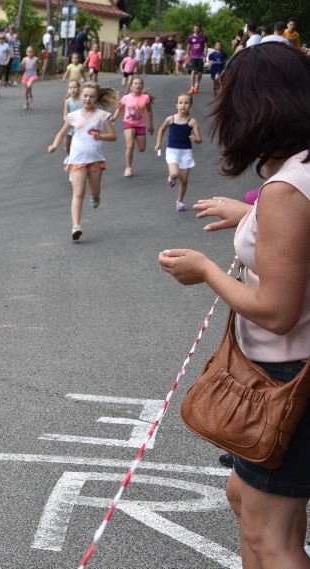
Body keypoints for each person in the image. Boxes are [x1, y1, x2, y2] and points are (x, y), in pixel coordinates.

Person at [158, 43, 310, 569]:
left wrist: (205, 271)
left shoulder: (287, 188)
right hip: (288, 370)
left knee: (273, 537)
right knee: (247, 501)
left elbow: (276, 310)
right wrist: (247, 215)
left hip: (289, 377)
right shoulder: (295, 175)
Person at [48, 82, 118, 240]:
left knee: (94, 190)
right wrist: (54, 145)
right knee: (78, 193)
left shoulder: (102, 115)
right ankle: (76, 226)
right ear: (80, 96)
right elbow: (61, 133)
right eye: (85, 95)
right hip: (77, 159)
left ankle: (95, 196)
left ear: (96, 98)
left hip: (95, 160)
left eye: (92, 96)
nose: (88, 98)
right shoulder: (73, 116)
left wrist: (101, 136)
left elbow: (113, 136)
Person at [153, 93, 202, 212]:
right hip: (172, 151)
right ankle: (171, 178)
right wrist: (158, 143)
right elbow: (161, 129)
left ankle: (179, 201)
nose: (183, 105)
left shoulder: (192, 122)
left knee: (184, 180)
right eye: (180, 103)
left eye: (186, 103)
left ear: (190, 105)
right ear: (176, 105)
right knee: (175, 174)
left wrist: (195, 139)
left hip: (186, 152)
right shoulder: (171, 119)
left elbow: (199, 139)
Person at [111, 77, 153, 177]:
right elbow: (119, 108)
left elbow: (150, 111)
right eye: (135, 83)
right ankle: (128, 168)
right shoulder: (126, 97)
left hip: (140, 124)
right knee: (130, 146)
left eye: (140, 83)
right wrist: (114, 117)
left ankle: (134, 136)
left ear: (142, 86)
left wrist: (151, 124)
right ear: (131, 86)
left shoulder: (145, 97)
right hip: (128, 123)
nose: (138, 85)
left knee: (142, 148)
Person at [61, 79, 82, 157]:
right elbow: (65, 116)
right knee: (67, 147)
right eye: (70, 88)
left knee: (79, 147)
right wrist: (69, 121)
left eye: (75, 87)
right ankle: (69, 156)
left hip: (81, 127)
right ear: (68, 90)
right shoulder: (67, 101)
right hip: (70, 127)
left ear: (79, 88)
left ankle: (76, 160)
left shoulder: (83, 100)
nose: (72, 89)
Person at [186, 24, 208, 93]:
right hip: (193, 56)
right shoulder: (190, 37)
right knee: (193, 71)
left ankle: (197, 84)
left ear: (200, 29)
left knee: (200, 73)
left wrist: (205, 56)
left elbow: (205, 47)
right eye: (195, 29)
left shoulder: (203, 37)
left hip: (200, 56)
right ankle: (192, 87)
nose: (196, 30)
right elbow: (188, 47)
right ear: (193, 29)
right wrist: (188, 56)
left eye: (197, 29)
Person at [20, 45, 39, 110]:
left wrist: (41, 69)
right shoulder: (24, 59)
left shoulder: (35, 59)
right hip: (26, 75)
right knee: (26, 90)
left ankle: (30, 96)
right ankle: (26, 101)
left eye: (31, 52)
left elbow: (40, 65)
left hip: (33, 75)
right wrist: (22, 64)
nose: (30, 54)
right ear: (26, 53)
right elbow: (22, 68)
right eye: (28, 52)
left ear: (33, 52)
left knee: (29, 85)